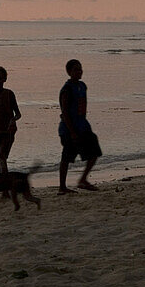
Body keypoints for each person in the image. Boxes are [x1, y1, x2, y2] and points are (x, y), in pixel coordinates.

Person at [58, 58, 101, 193]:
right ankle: (62, 186)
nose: (79, 71)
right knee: (67, 157)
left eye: (80, 69)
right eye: (76, 69)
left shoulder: (82, 86)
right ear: (69, 72)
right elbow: (65, 113)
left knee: (94, 152)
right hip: (69, 129)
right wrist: (72, 132)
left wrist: (83, 126)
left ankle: (83, 180)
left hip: (83, 126)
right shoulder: (66, 90)